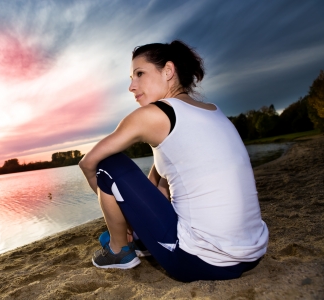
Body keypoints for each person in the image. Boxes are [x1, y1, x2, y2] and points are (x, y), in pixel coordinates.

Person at [78, 40, 268, 282]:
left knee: (107, 165)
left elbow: (88, 163)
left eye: (139, 74)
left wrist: (122, 222)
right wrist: (134, 217)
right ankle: (138, 239)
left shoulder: (151, 115)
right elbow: (157, 185)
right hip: (253, 252)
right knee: (157, 182)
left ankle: (119, 250)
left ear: (168, 71)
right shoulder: (212, 111)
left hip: (200, 261)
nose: (131, 86)